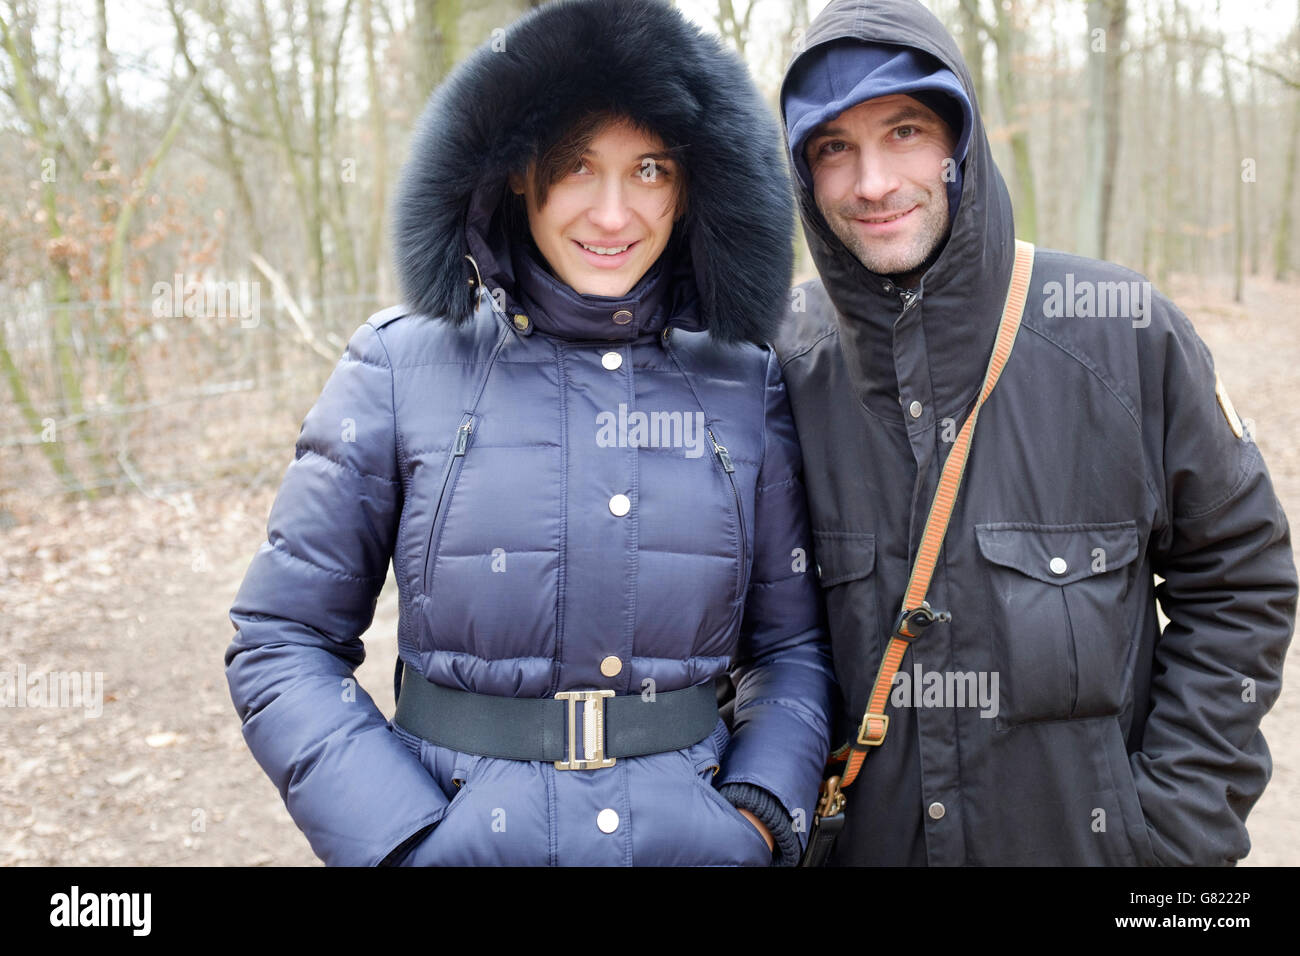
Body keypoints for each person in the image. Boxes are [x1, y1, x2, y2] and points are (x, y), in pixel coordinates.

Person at [224, 0, 833, 867]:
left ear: (693, 183)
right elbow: (281, 642)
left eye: (651, 169)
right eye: (577, 164)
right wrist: (405, 841)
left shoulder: (742, 379)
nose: (615, 213)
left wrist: (759, 814)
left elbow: (793, 648)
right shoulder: (399, 367)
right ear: (516, 170)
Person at [774, 0, 1296, 865]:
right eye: (834, 147)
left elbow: (1240, 578)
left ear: (962, 145)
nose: (871, 183)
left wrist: (1171, 832)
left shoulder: (1121, 334)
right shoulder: (779, 365)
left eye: (904, 131)